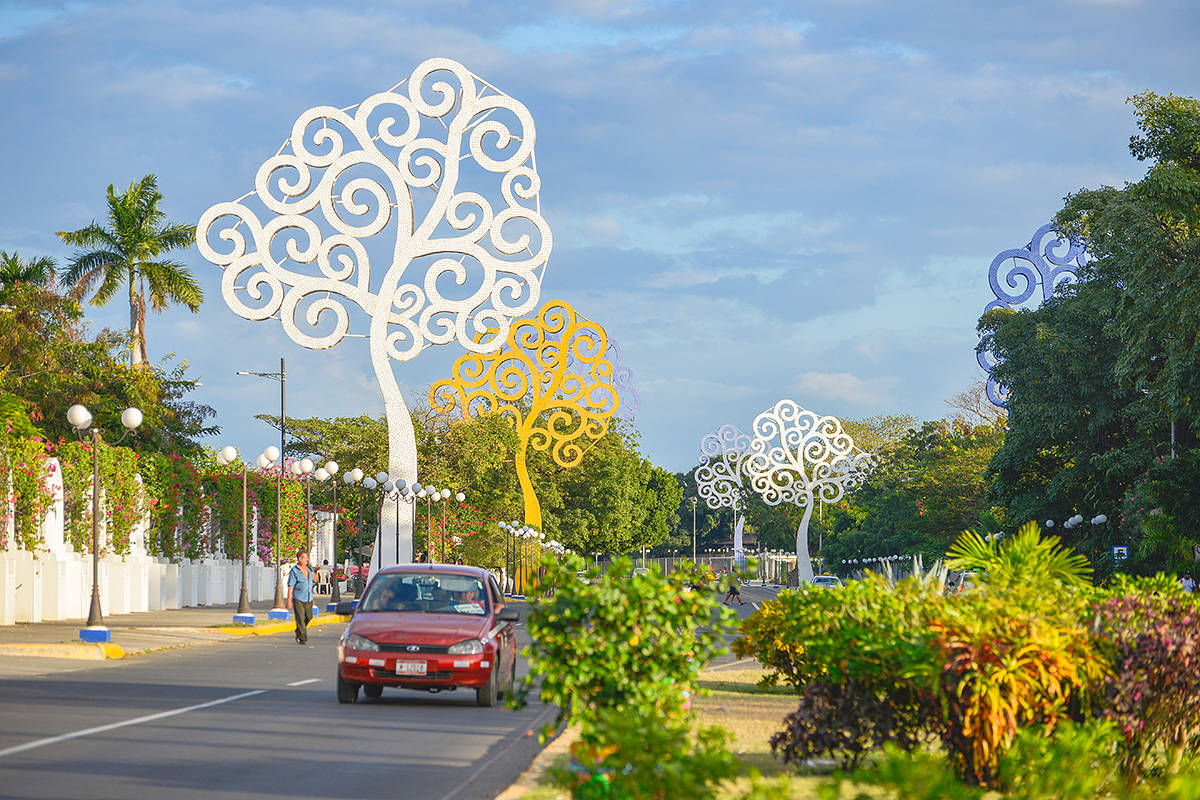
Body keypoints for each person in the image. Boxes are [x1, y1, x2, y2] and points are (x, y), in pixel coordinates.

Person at [286, 549, 318, 644]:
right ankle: (303, 638)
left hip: (308, 598)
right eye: (305, 558)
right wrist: (289, 600)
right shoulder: (294, 571)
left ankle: (298, 630)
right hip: (298, 598)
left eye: (307, 558)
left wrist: (312, 570)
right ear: (300, 559)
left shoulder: (309, 569)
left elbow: (315, 580)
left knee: (309, 617)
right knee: (300, 618)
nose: (307, 560)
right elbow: (291, 586)